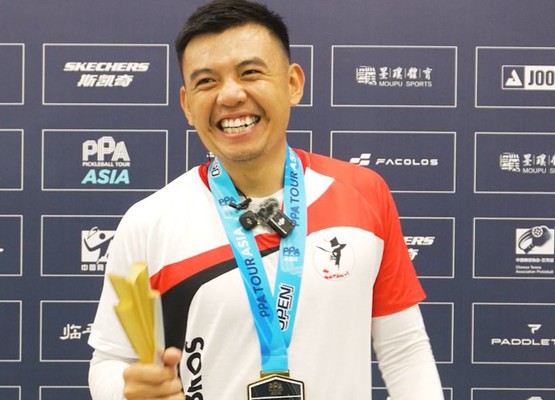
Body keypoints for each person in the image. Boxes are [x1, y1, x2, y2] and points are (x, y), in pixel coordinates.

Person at [88, 0, 445, 399]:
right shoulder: (149, 221)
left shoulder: (364, 192)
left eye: (250, 72)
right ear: (187, 105)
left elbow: (404, 350)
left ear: (293, 84)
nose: (230, 95)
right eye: (207, 81)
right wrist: (127, 391)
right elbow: (109, 361)